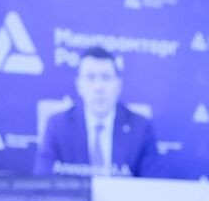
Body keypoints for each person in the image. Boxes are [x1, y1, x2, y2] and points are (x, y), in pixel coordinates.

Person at [33, 46, 159, 178]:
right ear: (79, 85)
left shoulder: (140, 128)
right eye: (90, 77)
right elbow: (43, 182)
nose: (99, 87)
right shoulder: (58, 126)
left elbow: (154, 184)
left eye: (106, 77)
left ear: (119, 85)